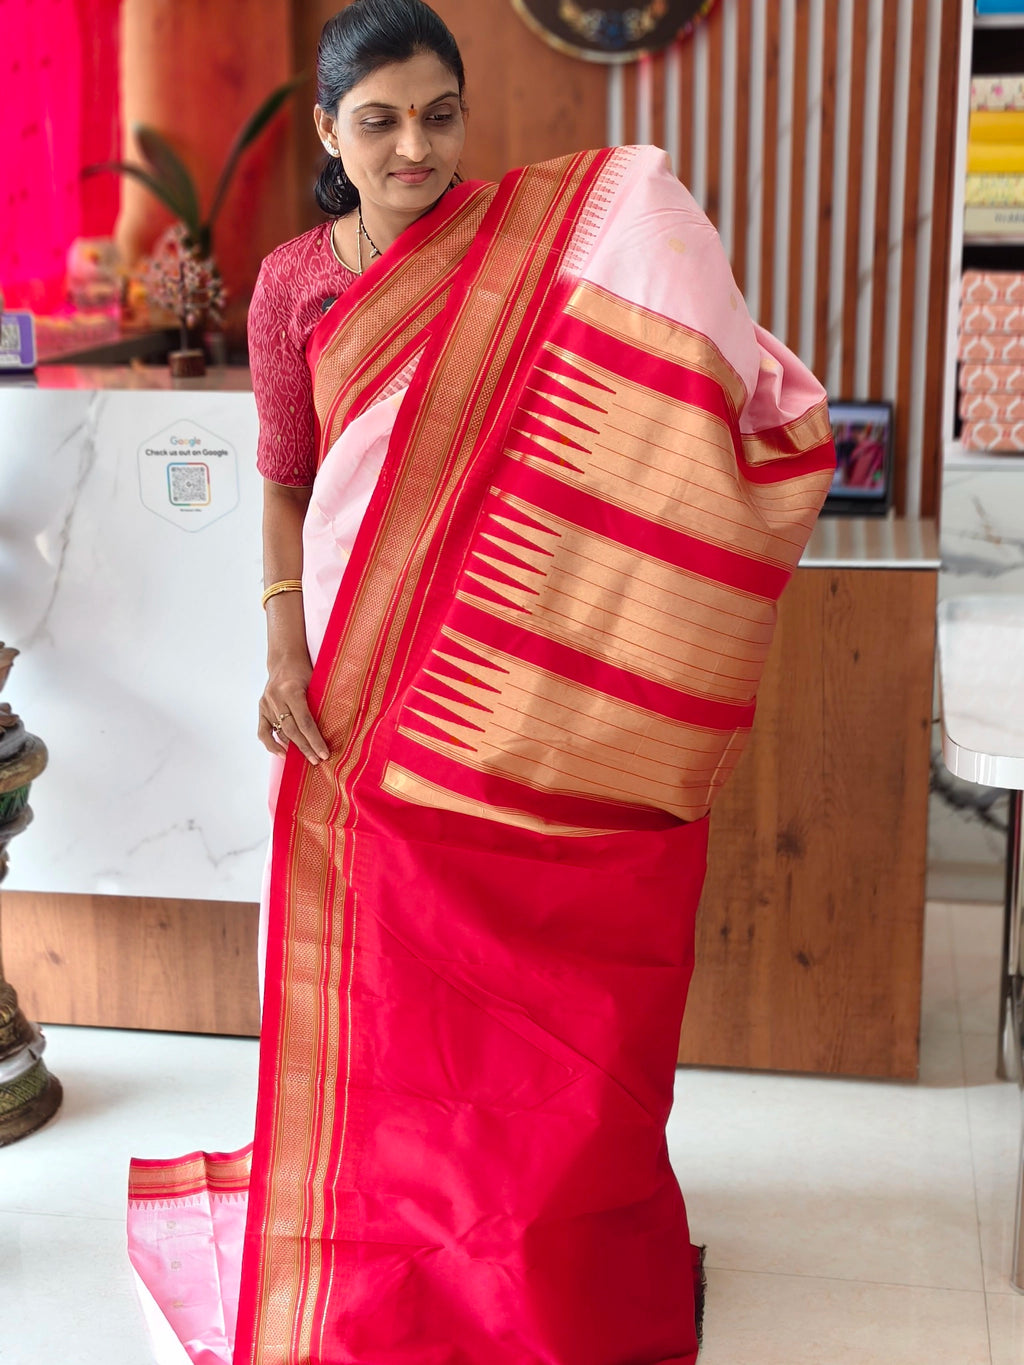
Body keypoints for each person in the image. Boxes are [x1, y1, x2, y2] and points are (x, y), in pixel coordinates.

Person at [126, 3, 836, 1362]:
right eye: (380, 121)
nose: (415, 147)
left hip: (508, 682)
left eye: (440, 115)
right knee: (376, 957)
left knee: (517, 961)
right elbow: (284, 482)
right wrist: (283, 648)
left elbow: (653, 252)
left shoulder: (538, 244)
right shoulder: (293, 284)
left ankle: (515, 1225)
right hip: (354, 662)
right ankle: (380, 1225)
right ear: (329, 130)